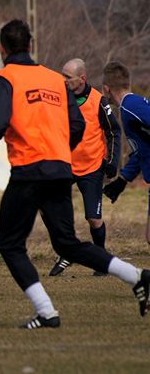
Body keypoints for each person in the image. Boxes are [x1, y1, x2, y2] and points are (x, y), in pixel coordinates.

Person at [0, 19, 150, 329]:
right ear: (32, 46)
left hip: (29, 171)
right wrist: (60, 152)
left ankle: (47, 312)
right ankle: (138, 276)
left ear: (1, 48)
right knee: (67, 244)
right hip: (60, 170)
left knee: (10, 244)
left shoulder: (2, 79)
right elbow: (77, 126)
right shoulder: (54, 80)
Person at [49, 58, 121, 277]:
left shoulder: (98, 101)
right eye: (61, 74)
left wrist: (112, 162)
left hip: (91, 167)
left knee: (93, 218)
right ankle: (68, 250)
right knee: (48, 206)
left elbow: (114, 132)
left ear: (82, 78)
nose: (62, 80)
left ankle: (100, 259)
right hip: (65, 166)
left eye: (67, 77)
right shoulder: (59, 98)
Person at [101, 61, 150, 245]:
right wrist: (122, 180)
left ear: (106, 89)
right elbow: (142, 150)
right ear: (128, 83)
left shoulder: (131, 107)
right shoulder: (128, 109)